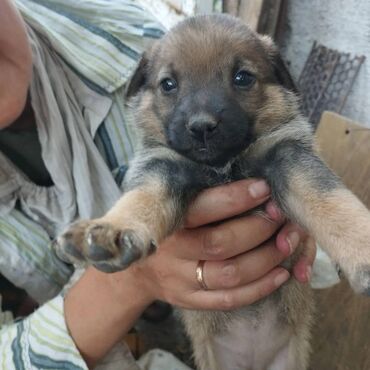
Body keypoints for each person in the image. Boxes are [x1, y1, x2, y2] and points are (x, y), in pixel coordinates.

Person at [0, 0, 315, 368]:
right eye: (168, 86)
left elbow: (283, 142)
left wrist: (303, 199)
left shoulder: (138, 39)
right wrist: (129, 283)